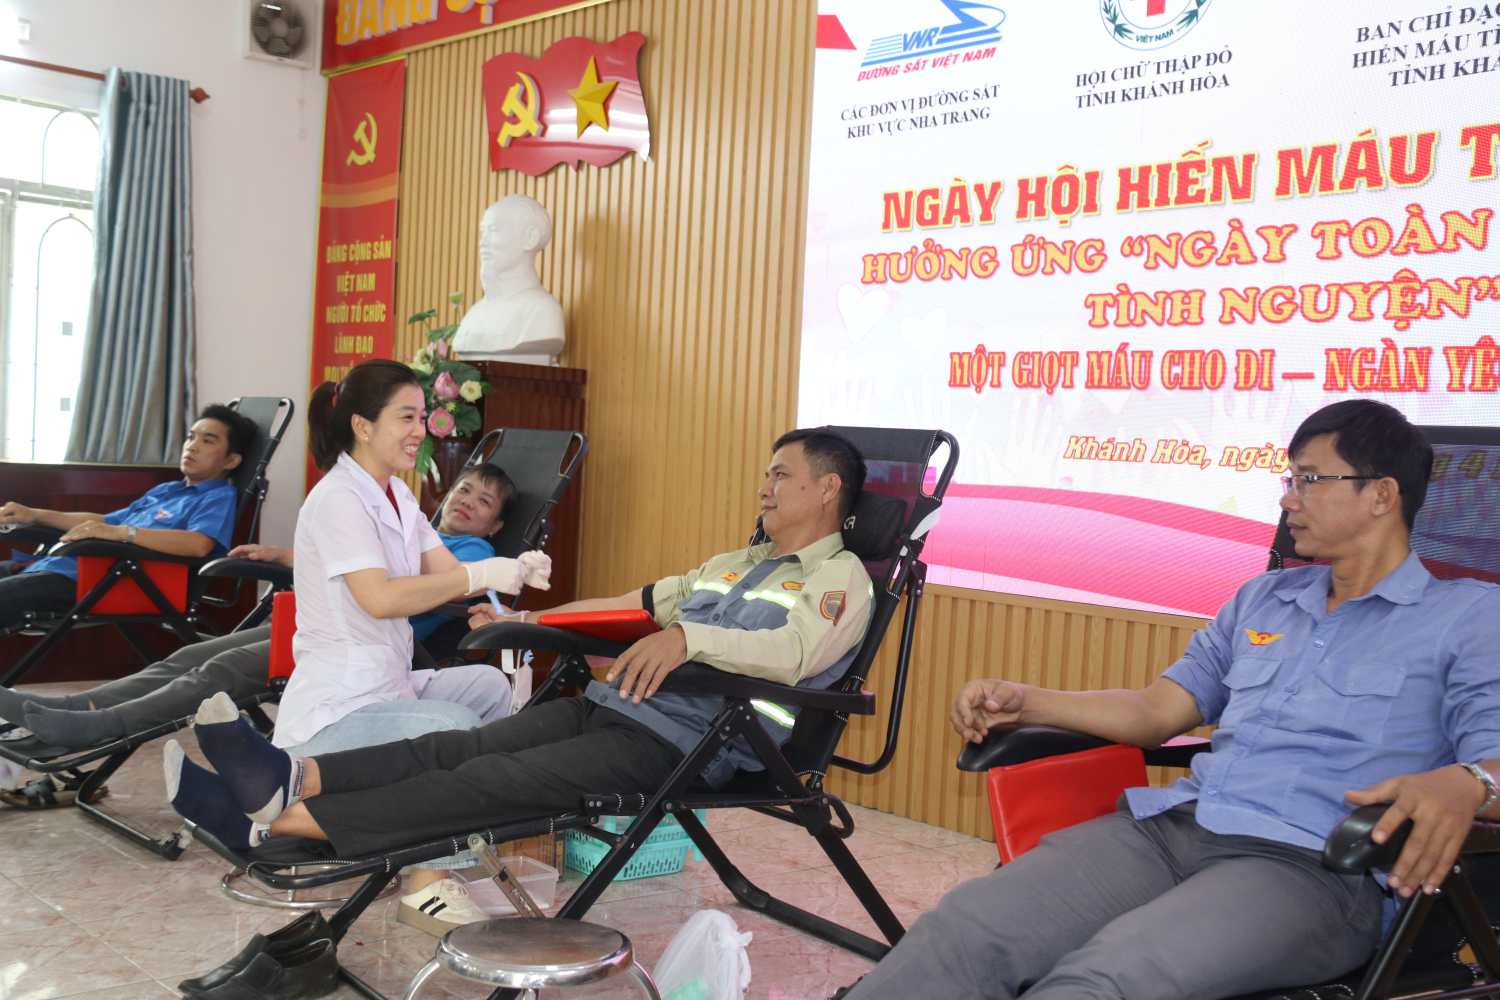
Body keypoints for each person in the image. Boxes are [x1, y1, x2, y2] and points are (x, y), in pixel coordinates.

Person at [836, 400, 1500, 1000]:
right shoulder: (1263, 600)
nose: (1289, 499)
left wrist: (1466, 781)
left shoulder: (1466, 618)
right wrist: (1029, 702)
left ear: (1382, 495)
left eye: (1309, 480)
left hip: (1314, 869)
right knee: (964, 932)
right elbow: (1158, 711)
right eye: (1289, 480)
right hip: (1176, 829)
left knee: (1103, 981)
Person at [164, 427, 873, 937]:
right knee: (466, 747)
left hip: (694, 744)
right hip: (619, 705)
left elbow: (795, 652)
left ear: (828, 487)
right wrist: (532, 616)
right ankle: (293, 779)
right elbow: (630, 602)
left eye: (781, 474)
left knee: (494, 785)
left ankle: (279, 822)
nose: (765, 485)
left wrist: (689, 635)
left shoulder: (842, 579)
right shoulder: (731, 561)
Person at [229, 358, 547, 934]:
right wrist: (480, 577)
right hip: (338, 706)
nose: (419, 430)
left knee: (489, 689)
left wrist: (509, 582)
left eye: (423, 416)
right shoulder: (337, 499)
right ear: (363, 426)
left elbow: (448, 571)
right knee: (448, 727)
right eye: (407, 416)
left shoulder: (397, 496)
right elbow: (379, 598)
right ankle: (427, 881)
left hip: (385, 685)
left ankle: (452, 829)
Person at [0, 463, 518, 759]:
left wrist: (475, 579)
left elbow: (399, 585)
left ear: (495, 527)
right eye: (464, 489)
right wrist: (287, 557)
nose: (469, 501)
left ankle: (100, 725)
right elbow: (357, 566)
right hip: (322, 631)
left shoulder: (473, 556)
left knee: (220, 670)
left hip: (367, 657)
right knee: (194, 656)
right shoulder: (409, 526)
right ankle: (82, 707)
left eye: (485, 502)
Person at [0, 404, 256, 634]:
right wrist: (34, 514)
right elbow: (105, 521)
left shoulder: (218, 497)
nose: (192, 446)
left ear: (231, 460)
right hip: (57, 567)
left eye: (208, 441)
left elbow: (198, 544)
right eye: (191, 437)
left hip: (101, 583)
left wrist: (123, 534)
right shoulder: (166, 491)